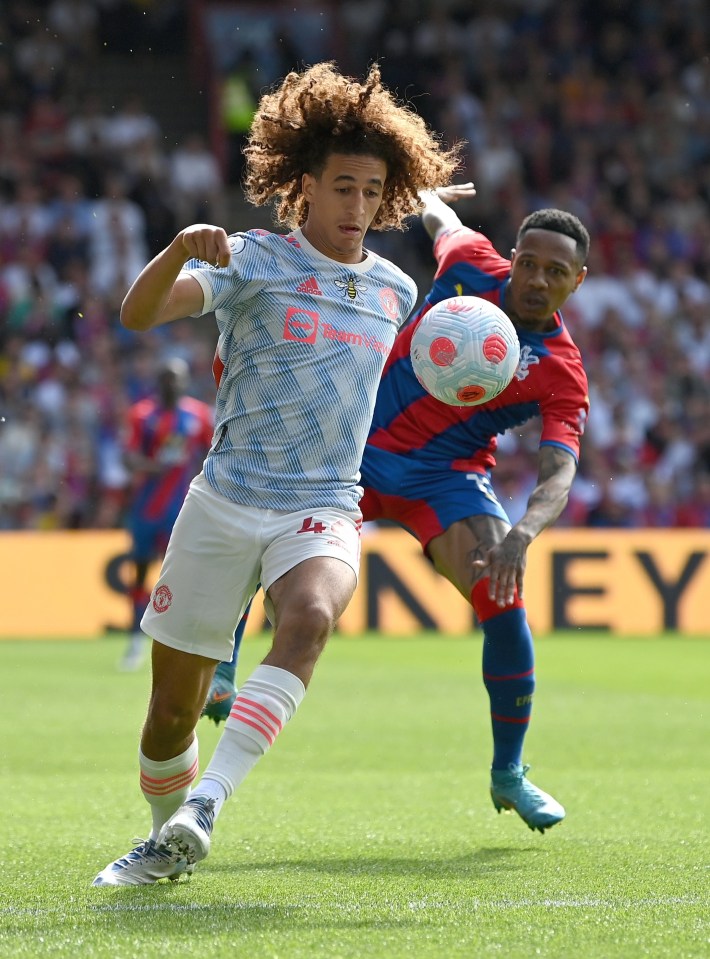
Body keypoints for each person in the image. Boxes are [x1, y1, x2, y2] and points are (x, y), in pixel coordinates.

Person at [92, 61, 458, 886]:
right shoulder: (253, 260)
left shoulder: (396, 290)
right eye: (342, 189)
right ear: (303, 188)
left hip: (322, 506)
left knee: (314, 614)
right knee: (167, 718)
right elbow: (138, 313)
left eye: (372, 190)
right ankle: (165, 836)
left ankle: (209, 802)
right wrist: (176, 249)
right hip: (224, 504)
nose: (358, 208)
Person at [205, 183, 591, 834]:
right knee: (276, 539)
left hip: (445, 476)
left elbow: (559, 469)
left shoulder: (561, 369)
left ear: (576, 282)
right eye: (529, 262)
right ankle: (222, 662)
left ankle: (509, 773)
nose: (537, 279)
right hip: (352, 446)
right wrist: (426, 190)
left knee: (504, 598)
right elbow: (442, 219)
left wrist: (523, 532)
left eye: (556, 272)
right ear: (513, 255)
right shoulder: (470, 263)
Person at [119, 357, 214, 671]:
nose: (172, 384)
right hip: (147, 508)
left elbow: (213, 452)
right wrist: (153, 467)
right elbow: (128, 458)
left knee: (181, 576)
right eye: (167, 378)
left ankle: (179, 645)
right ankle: (134, 640)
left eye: (177, 378)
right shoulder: (143, 415)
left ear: (186, 381)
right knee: (142, 572)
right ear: (158, 382)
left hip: (181, 509)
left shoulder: (198, 415)